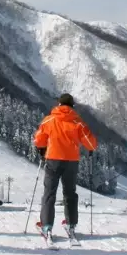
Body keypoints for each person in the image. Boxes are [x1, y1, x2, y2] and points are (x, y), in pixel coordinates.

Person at [32, 93, 97, 240]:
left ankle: (46, 225)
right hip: (71, 161)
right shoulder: (77, 122)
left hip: (53, 159)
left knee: (50, 192)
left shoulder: (49, 119)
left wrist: (42, 148)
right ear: (72, 106)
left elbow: (38, 139)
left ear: (59, 105)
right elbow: (91, 143)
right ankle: (71, 223)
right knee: (70, 193)